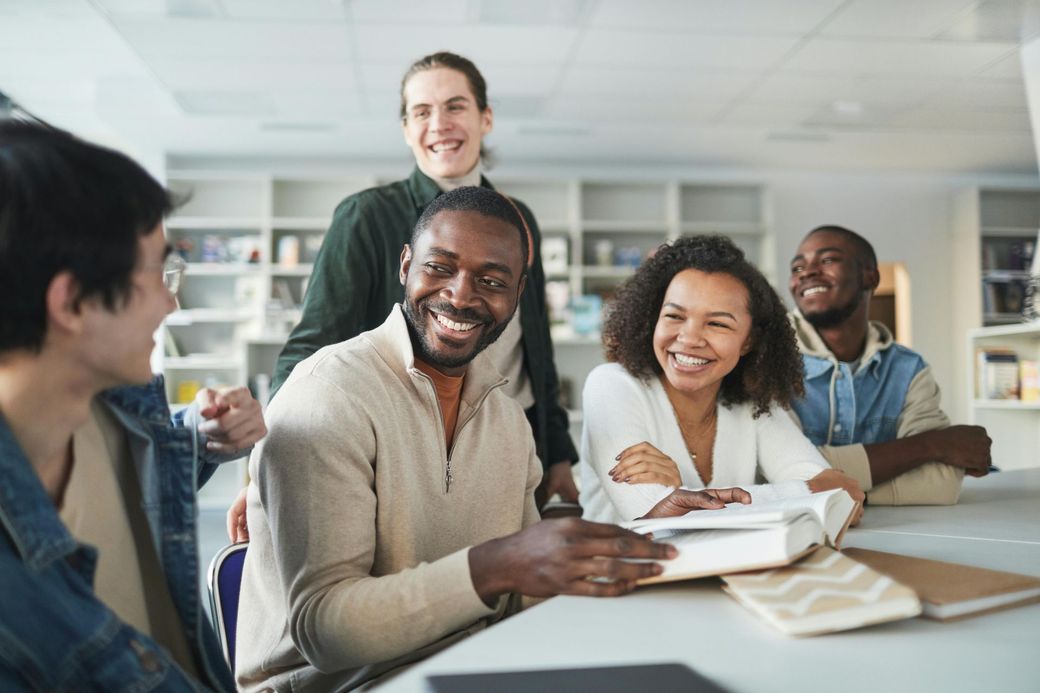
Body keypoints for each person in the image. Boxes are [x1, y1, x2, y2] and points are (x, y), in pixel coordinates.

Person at [235, 187, 747, 692]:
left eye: (491, 280)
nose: (460, 295)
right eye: (439, 267)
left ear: (518, 295)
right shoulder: (327, 395)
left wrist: (645, 534)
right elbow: (326, 631)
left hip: (474, 664)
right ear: (405, 265)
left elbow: (516, 595)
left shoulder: (505, 419)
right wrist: (495, 566)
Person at [0, 121, 265, 691]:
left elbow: (133, 467)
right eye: (157, 274)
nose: (171, 301)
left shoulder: (110, 408)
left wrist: (199, 439)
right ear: (71, 302)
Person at [270, 51, 578, 506]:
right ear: (406, 128)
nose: (439, 123)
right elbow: (313, 345)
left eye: (455, 106)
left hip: (514, 440)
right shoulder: (366, 216)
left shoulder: (519, 219)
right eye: (422, 111)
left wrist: (558, 457)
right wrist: (267, 459)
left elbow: (537, 350)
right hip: (403, 443)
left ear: (485, 118)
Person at [581, 235, 863, 524]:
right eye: (674, 316)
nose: (689, 338)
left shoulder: (751, 402)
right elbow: (654, 518)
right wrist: (805, 492)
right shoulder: (611, 385)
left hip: (727, 568)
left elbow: (842, 501)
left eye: (717, 323)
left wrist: (684, 497)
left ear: (748, 341)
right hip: (618, 568)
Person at [788, 225, 991, 505]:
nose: (807, 273)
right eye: (797, 268)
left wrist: (827, 493)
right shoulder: (767, 361)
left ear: (870, 277)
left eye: (827, 260)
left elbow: (942, 484)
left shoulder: (909, 371)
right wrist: (932, 445)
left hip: (893, 535)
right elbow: (777, 474)